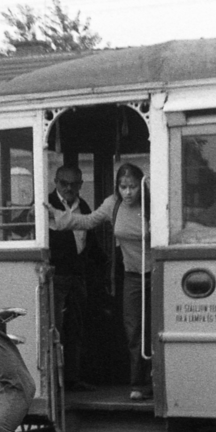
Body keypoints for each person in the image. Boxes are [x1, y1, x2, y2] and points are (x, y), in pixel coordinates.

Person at [48, 162, 153, 400]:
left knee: (155, 328)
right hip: (132, 275)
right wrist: (54, 215)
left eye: (133, 187)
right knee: (133, 328)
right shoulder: (112, 204)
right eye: (123, 187)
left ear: (141, 186)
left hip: (158, 273)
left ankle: (158, 380)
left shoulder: (153, 204)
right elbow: (85, 222)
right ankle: (138, 383)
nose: (128, 192)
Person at [46, 165, 101, 391]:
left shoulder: (84, 206)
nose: (68, 188)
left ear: (80, 185)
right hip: (56, 276)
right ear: (55, 182)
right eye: (63, 183)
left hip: (77, 276)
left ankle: (72, 378)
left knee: (76, 327)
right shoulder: (45, 204)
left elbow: (91, 242)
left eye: (73, 184)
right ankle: (52, 382)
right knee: (54, 328)